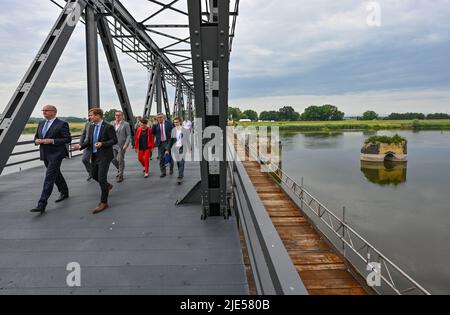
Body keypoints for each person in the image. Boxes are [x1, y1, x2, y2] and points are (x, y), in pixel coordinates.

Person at [72, 108, 117, 214]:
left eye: (91, 115)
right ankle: (107, 186)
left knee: (101, 178)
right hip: (95, 155)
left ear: (98, 116)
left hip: (105, 156)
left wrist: (102, 144)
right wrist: (80, 146)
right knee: (93, 175)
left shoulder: (108, 126)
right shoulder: (91, 126)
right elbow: (89, 141)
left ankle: (103, 202)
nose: (89, 117)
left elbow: (114, 140)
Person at [30, 105, 72, 214]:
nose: (44, 112)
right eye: (43, 110)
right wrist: (37, 141)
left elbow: (67, 139)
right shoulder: (41, 123)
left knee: (49, 178)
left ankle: (41, 204)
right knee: (56, 174)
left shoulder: (62, 124)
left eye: (46, 110)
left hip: (56, 154)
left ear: (54, 112)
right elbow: (36, 137)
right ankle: (64, 191)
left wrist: (52, 141)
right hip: (45, 154)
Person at [111, 111, 131, 183]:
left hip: (122, 145)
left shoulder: (126, 124)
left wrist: (126, 144)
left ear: (122, 116)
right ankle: (119, 169)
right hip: (113, 145)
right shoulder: (112, 123)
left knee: (120, 160)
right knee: (112, 159)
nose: (117, 116)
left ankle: (120, 175)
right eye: (116, 115)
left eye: (119, 115)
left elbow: (129, 135)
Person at [152, 113, 174, 178]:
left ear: (163, 117)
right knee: (161, 158)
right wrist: (153, 125)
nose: (159, 119)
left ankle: (171, 168)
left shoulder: (169, 123)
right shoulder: (156, 125)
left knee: (169, 157)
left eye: (161, 117)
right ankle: (163, 172)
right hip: (160, 143)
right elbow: (153, 132)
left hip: (168, 142)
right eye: (158, 118)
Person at [171, 117, 190, 184]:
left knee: (181, 162)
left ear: (180, 122)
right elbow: (171, 140)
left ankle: (180, 176)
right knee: (178, 162)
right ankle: (180, 173)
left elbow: (187, 139)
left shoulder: (184, 130)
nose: (175, 123)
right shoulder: (173, 130)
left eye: (177, 122)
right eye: (174, 122)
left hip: (183, 147)